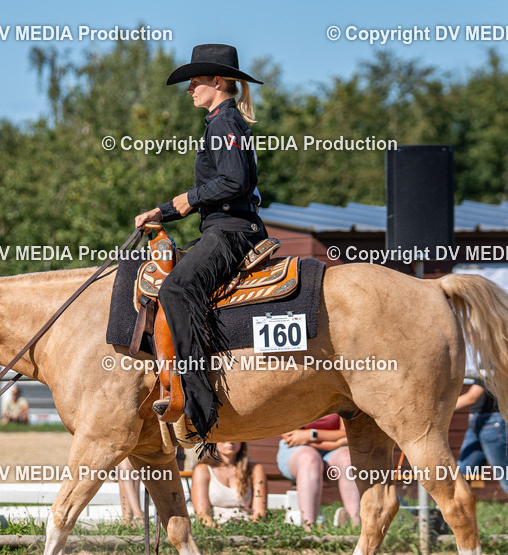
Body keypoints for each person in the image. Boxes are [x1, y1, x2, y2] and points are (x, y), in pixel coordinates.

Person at [134, 44, 267, 441]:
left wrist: (184, 201)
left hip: (231, 231)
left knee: (176, 288)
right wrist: (163, 211)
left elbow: (234, 182)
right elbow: (219, 186)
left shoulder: (225, 124)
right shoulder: (220, 122)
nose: (190, 88)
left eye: (196, 81)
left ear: (219, 82)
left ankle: (195, 397)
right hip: (224, 226)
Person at [454, 377, 508, 522]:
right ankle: (449, 522)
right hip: (478, 423)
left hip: (493, 425)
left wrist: (433, 409)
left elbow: (471, 398)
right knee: (461, 476)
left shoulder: (491, 361)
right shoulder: (481, 361)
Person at [277, 415, 360, 529]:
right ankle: (309, 528)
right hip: (296, 450)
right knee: (310, 459)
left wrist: (311, 434)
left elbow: (347, 433)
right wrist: (335, 442)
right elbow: (291, 437)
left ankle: (357, 527)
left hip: (333, 451)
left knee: (347, 459)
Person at [191, 441, 267, 526]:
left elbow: (259, 512)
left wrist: (251, 531)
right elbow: (202, 514)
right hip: (214, 528)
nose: (230, 441)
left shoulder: (255, 469)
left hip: (246, 527)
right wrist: (217, 531)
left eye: (235, 437)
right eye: (224, 437)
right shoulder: (202, 470)